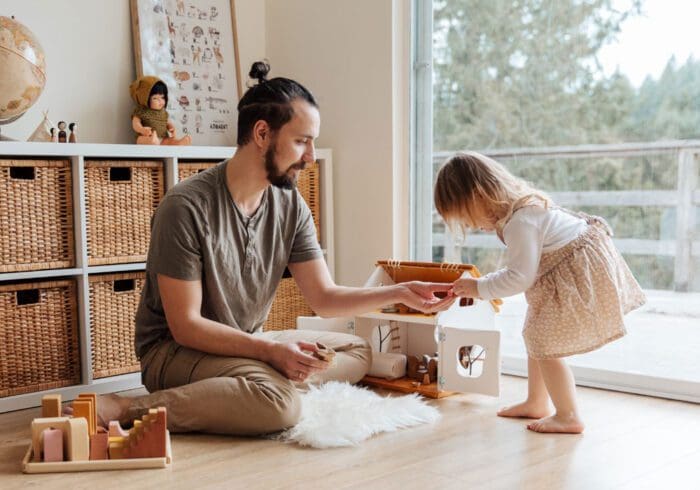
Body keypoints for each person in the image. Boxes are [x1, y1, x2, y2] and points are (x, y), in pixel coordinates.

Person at [79, 61, 455, 436]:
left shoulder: (290, 206)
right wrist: (270, 354)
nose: (310, 157)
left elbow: (323, 298)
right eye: (302, 141)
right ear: (262, 133)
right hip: (175, 352)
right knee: (281, 406)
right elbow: (186, 326)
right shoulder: (186, 207)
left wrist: (402, 292)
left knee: (356, 353)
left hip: (248, 341)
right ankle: (128, 408)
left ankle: (242, 387)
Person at [434, 151, 646, 434]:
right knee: (536, 335)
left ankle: (568, 414)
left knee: (545, 343)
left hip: (576, 274)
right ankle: (537, 402)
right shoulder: (520, 210)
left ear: (479, 196)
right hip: (566, 269)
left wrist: (479, 287)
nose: (472, 226)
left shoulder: (521, 222)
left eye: (468, 218)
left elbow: (520, 276)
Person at [129, 75, 192, 145]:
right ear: (144, 98)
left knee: (170, 141)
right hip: (146, 136)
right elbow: (135, 124)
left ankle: (178, 143)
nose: (160, 101)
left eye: (162, 97)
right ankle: (152, 141)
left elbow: (167, 123)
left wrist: (171, 127)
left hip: (163, 138)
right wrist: (142, 129)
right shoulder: (141, 111)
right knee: (140, 140)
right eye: (155, 98)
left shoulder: (163, 113)